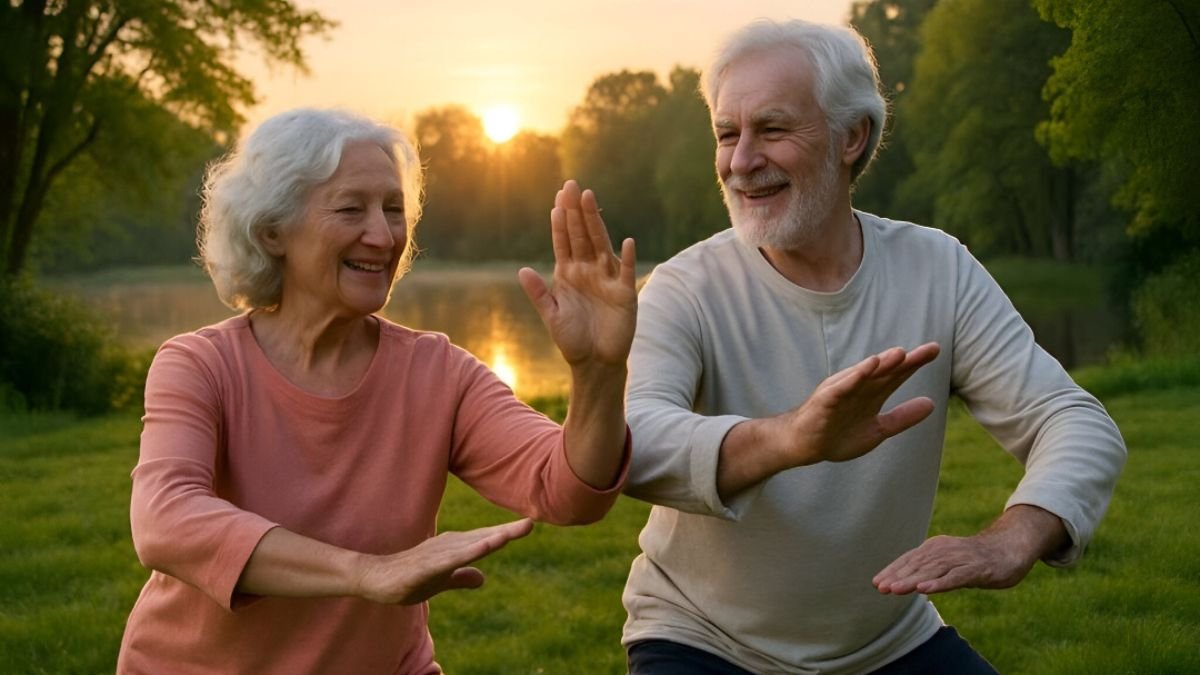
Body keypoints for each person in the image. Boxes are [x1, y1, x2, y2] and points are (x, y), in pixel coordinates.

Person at [619, 19, 1126, 674]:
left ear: (851, 137)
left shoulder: (938, 269)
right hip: (700, 637)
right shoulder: (686, 286)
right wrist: (792, 437)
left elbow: (1076, 421)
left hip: (888, 642)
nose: (741, 160)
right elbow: (635, 442)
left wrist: (1016, 535)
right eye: (727, 134)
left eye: (771, 130)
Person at [117, 108, 638, 674]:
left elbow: (569, 490)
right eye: (350, 208)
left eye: (394, 209)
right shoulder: (200, 365)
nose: (384, 234)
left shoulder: (437, 373)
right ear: (272, 231)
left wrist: (599, 372)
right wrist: (364, 573)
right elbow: (166, 520)